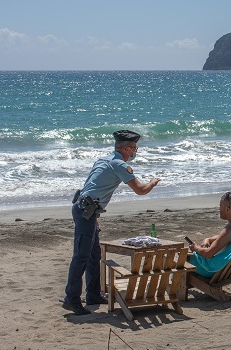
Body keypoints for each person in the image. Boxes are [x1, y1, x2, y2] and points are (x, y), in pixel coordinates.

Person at [63, 130, 161, 315]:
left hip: (87, 209)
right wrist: (153, 182)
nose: (135, 152)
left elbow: (90, 186)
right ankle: (71, 298)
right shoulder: (119, 165)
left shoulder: (103, 160)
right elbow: (140, 190)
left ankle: (92, 294)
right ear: (127, 148)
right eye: (134, 148)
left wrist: (96, 216)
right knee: (81, 256)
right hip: (86, 211)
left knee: (94, 256)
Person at [188, 192, 231, 258]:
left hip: (216, 266)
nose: (219, 208)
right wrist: (208, 239)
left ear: (227, 209)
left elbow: (208, 254)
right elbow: (226, 237)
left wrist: (195, 248)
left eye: (220, 206)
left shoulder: (229, 230)